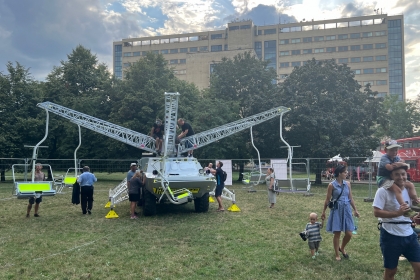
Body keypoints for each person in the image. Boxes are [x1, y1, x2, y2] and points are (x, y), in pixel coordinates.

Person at [373, 163, 420, 280]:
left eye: (403, 174)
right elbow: (376, 212)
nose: (401, 177)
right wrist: (397, 213)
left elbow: (410, 211)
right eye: (397, 174)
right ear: (391, 176)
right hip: (390, 235)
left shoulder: (408, 190)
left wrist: (415, 216)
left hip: (409, 234)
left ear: (406, 175)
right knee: (391, 271)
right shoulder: (383, 191)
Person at [321, 164, 360, 261]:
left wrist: (355, 209)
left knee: (349, 233)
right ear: (339, 173)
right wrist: (323, 212)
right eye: (345, 172)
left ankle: (342, 247)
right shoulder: (331, 185)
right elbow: (327, 200)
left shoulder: (347, 184)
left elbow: (350, 198)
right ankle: (337, 254)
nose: (347, 174)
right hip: (337, 210)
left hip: (346, 210)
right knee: (337, 233)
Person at [377, 140, 420, 213]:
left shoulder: (396, 157)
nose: (394, 152)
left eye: (396, 150)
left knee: (410, 184)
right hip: (383, 179)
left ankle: (416, 201)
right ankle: (405, 208)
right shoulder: (384, 158)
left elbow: (404, 163)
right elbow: (389, 168)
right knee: (397, 189)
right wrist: (400, 164)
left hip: (392, 178)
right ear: (385, 150)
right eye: (392, 150)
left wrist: (399, 164)